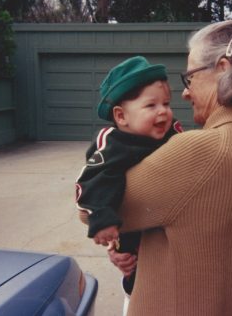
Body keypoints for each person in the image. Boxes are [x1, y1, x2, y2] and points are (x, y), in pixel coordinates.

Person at [106, 20, 232, 316]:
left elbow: (90, 208)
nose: (185, 93)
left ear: (223, 67)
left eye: (190, 78)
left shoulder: (199, 150)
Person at [75, 56, 182, 310]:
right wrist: (102, 220)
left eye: (166, 103)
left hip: (168, 238)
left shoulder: (173, 136)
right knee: (132, 268)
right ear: (121, 116)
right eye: (151, 105)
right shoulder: (113, 143)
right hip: (130, 233)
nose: (163, 112)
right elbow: (93, 180)